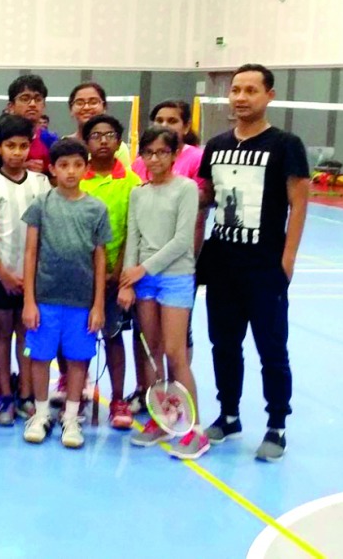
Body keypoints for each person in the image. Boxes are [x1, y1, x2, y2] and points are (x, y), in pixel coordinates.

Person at [197, 63, 309, 462]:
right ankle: (228, 415)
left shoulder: (285, 145)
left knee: (271, 350)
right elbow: (206, 198)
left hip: (264, 268)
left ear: (269, 96)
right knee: (223, 345)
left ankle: (276, 424)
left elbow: (298, 203)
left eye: (250, 90)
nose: (241, 97)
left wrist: (288, 258)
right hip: (223, 264)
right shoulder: (216, 145)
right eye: (236, 90)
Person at [120, 126, 207, 459]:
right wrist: (130, 281)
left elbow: (182, 241)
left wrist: (143, 269)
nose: (155, 158)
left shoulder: (186, 189)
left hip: (175, 277)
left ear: (174, 154)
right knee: (152, 353)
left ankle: (195, 429)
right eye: (149, 152)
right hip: (143, 281)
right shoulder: (138, 193)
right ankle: (164, 419)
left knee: (175, 354)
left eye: (162, 152)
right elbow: (133, 237)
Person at [21, 138, 112, 449]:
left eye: (77, 165)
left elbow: (100, 258)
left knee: (77, 360)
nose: (70, 171)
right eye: (63, 165)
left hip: (81, 302)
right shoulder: (41, 205)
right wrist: (29, 300)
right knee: (40, 358)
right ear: (52, 169)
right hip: (44, 299)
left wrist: (98, 304)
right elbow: (30, 253)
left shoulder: (96, 208)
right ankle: (42, 413)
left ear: (86, 168)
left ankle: (71, 418)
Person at [0, 115, 51, 426]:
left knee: (27, 335)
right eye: (10, 146)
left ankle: (26, 394)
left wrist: (31, 276)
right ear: (0, 148)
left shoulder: (42, 183)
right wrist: (3, 273)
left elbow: (45, 231)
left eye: (23, 146)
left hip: (33, 277)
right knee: (1, 333)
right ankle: (4, 395)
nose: (17, 152)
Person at [77, 114, 141, 429]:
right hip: (77, 275)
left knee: (113, 338)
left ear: (119, 141)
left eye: (110, 134)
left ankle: (118, 399)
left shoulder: (131, 181)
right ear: (86, 142)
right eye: (97, 135)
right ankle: (74, 391)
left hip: (116, 276)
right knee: (74, 338)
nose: (103, 140)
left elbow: (133, 228)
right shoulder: (77, 177)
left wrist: (118, 272)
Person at [0, 75, 57, 174]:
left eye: (38, 99)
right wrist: (18, 168)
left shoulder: (51, 141)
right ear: (11, 106)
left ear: (44, 105)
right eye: (25, 98)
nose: (32, 104)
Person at [67, 82, 132, 168]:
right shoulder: (63, 144)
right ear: (71, 109)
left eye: (93, 102)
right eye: (79, 103)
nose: (86, 107)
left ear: (104, 107)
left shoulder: (117, 148)